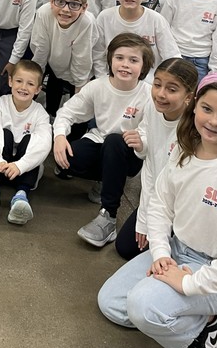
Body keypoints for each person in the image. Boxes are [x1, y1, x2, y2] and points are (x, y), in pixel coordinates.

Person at [98, 72, 217, 348]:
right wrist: (162, 255)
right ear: (194, 106)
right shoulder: (184, 152)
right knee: (111, 304)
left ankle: (209, 320)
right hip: (178, 252)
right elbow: (160, 206)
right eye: (207, 109)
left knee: (143, 308)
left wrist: (191, 283)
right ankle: (193, 313)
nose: (214, 121)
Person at [79, 58, 197, 254]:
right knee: (126, 248)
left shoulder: (194, 128)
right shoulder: (153, 108)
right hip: (159, 197)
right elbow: (151, 169)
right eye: (157, 84)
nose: (161, 94)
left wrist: (162, 225)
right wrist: (144, 219)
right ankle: (108, 216)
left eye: (172, 89)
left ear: (188, 96)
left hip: (183, 206)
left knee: (169, 252)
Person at [53, 33, 153, 194]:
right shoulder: (98, 86)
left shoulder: (148, 94)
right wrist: (59, 136)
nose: (125, 65)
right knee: (65, 158)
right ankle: (109, 177)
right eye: (119, 58)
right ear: (110, 60)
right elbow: (67, 112)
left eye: (133, 60)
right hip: (100, 141)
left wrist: (142, 144)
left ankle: (109, 189)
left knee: (114, 141)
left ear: (144, 65)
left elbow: (149, 135)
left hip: (128, 151)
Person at [0, 60, 52, 225]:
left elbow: (44, 143)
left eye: (30, 84)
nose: (23, 87)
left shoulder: (40, 113)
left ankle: (21, 196)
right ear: (10, 81)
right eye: (19, 81)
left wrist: (21, 165)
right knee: (5, 133)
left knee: (31, 140)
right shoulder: (0, 104)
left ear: (38, 89)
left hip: (23, 169)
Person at [92, 0, 180, 80]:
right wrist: (103, 79)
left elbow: (171, 56)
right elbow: (98, 54)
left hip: (148, 83)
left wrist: (159, 82)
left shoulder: (156, 20)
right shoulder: (104, 17)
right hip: (115, 80)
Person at [31, 0, 97, 118]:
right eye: (60, 1)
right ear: (51, 0)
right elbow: (40, 50)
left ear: (84, 7)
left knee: (79, 110)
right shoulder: (43, 13)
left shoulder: (87, 22)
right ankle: (49, 116)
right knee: (51, 94)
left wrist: (79, 90)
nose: (66, 9)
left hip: (78, 68)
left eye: (74, 4)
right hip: (53, 60)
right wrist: (35, 79)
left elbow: (82, 59)